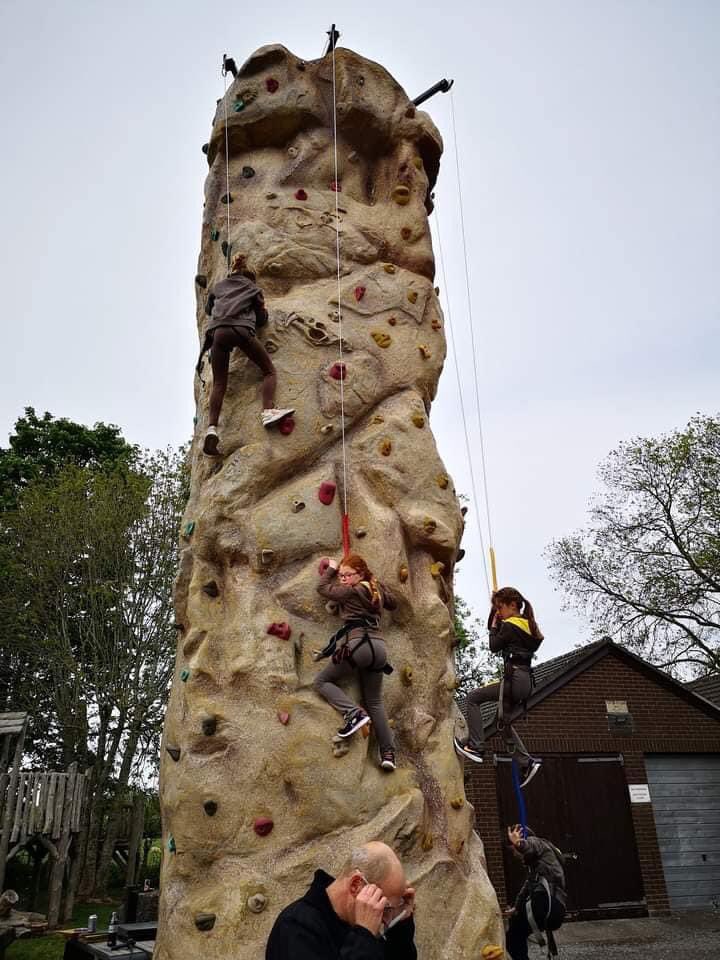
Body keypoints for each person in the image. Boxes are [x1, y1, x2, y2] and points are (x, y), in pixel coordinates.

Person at [197, 252, 293, 455]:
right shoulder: (253, 288)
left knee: (220, 383)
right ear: (250, 277)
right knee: (269, 371)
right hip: (240, 330)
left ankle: (212, 429)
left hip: (217, 334)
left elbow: (208, 310)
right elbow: (261, 319)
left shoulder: (218, 287)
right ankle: (268, 411)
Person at [314, 554, 397, 771]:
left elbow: (322, 588)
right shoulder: (374, 588)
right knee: (375, 702)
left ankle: (354, 713)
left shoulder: (350, 591)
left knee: (322, 681)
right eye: (340, 575)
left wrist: (331, 569)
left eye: (347, 575)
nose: (342, 578)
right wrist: (377, 584)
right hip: (379, 649)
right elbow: (393, 603)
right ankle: (388, 753)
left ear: (359, 574)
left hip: (358, 645)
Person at [265, 841, 417, 960]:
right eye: (384, 907)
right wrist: (363, 935)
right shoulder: (296, 927)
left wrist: (399, 925)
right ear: (356, 885)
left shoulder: (360, 925)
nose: (383, 920)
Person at [454, 586, 543, 787]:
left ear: (513, 605)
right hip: (526, 680)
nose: (499, 612)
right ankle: (526, 763)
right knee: (501, 724)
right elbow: (500, 634)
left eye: (501, 607)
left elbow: (494, 644)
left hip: (515, 678)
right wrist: (495, 615)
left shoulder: (510, 625)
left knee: (473, 698)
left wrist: (495, 624)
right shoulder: (529, 625)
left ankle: (475, 746)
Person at [505, 825, 566, 960]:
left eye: (513, 851)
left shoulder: (538, 843)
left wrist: (518, 843)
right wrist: (516, 907)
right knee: (514, 936)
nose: (515, 855)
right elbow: (526, 888)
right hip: (553, 909)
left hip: (547, 905)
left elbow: (529, 845)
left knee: (513, 936)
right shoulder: (536, 867)